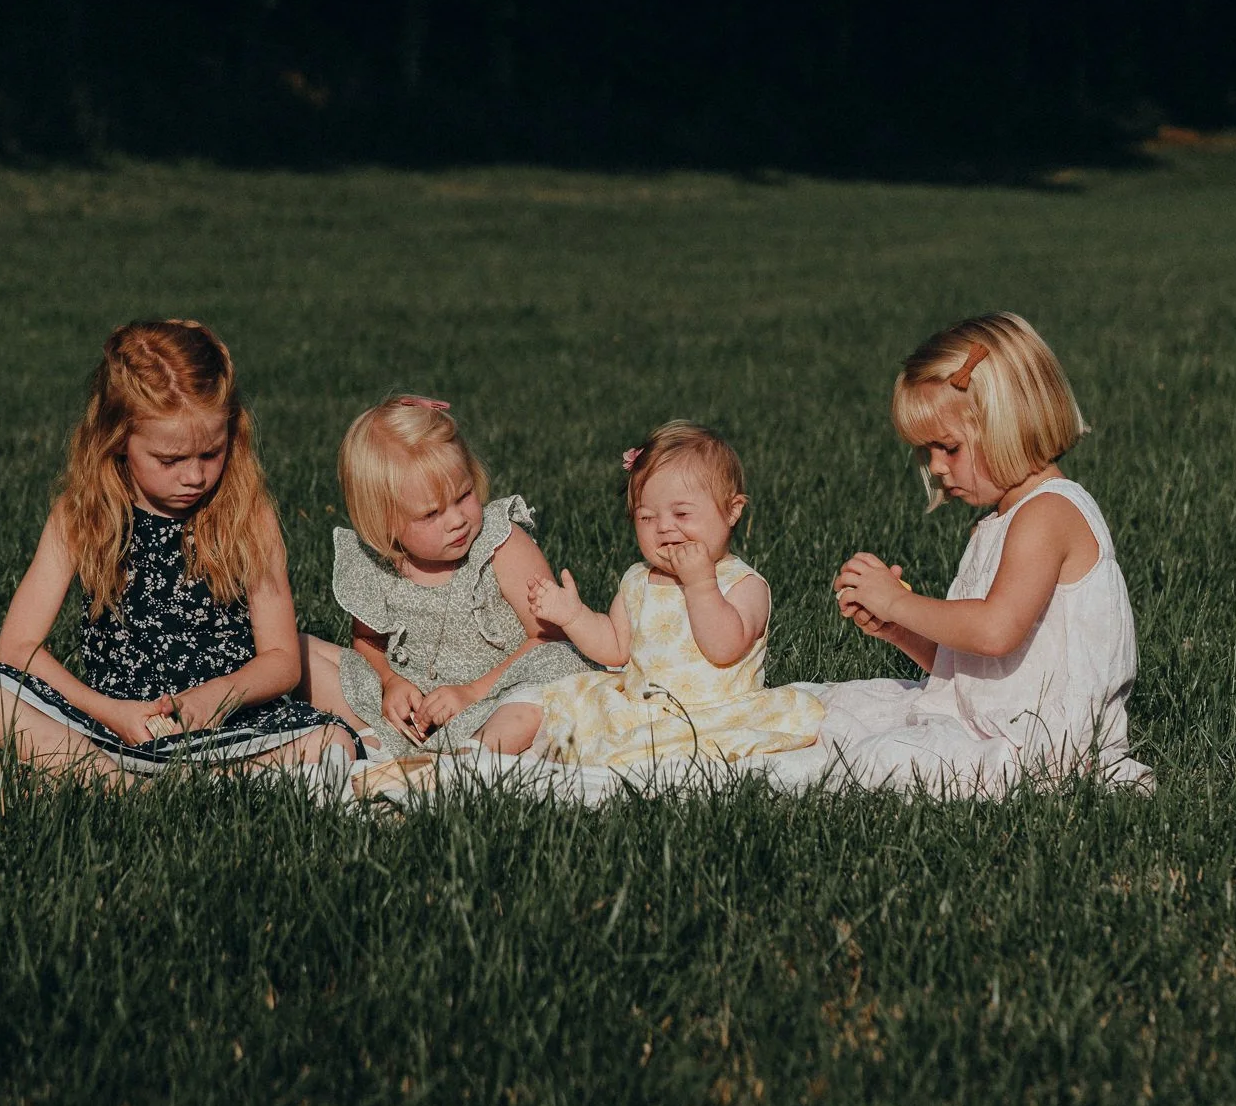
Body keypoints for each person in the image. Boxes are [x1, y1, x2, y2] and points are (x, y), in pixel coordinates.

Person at [0, 319, 352, 780]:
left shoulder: (247, 514)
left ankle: (124, 778)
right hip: (115, 724)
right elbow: (18, 647)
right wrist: (110, 712)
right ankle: (119, 781)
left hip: (228, 723)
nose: (193, 476)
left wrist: (216, 697)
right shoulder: (81, 515)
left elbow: (283, 660)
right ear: (119, 439)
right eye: (169, 460)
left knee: (331, 741)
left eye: (211, 453)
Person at [825, 311, 1150, 793]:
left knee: (873, 761)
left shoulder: (1047, 515)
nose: (935, 467)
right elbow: (974, 670)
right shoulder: (1001, 522)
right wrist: (899, 629)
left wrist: (898, 601)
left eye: (948, 448)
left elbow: (995, 632)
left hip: (1044, 749)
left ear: (1008, 425)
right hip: (995, 724)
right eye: (926, 452)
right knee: (834, 711)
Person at [481, 422, 825, 769]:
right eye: (646, 517)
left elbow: (724, 648)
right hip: (641, 708)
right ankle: (472, 756)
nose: (663, 527)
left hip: (713, 713)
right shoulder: (638, 579)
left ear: (733, 510)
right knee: (540, 700)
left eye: (682, 513)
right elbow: (615, 646)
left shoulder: (743, 584)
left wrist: (700, 583)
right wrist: (573, 616)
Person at [301, 395, 592, 756]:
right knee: (300, 651)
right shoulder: (377, 566)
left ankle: (471, 757)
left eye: (464, 495)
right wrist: (391, 681)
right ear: (384, 522)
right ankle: (383, 741)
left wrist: (471, 693)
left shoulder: (499, 543)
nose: (456, 520)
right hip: (418, 706)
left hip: (497, 694)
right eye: (431, 514)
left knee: (553, 672)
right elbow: (367, 642)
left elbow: (546, 637)